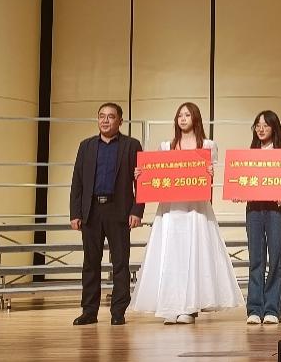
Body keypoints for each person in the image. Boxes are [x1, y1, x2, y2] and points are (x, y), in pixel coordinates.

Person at [130, 102, 244, 323]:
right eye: (180, 115)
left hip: (195, 208)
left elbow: (209, 177)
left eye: (187, 115)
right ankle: (170, 306)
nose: (182, 119)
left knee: (194, 254)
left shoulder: (208, 145)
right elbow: (156, 172)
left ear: (195, 118)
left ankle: (189, 307)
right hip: (171, 209)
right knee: (171, 255)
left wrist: (210, 172)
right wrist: (141, 175)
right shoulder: (166, 146)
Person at [69, 103, 143, 326]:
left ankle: (118, 312)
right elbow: (77, 181)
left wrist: (137, 210)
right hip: (91, 211)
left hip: (119, 210)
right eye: (101, 116)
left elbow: (142, 181)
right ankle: (89, 311)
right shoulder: (86, 146)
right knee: (90, 263)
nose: (105, 120)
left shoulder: (131, 145)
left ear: (120, 121)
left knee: (120, 263)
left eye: (111, 117)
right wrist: (75, 213)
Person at [242, 110, 281, 325]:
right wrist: (238, 191)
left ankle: (272, 309)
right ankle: (254, 308)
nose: (261, 129)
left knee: (276, 258)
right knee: (256, 259)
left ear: (274, 128)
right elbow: (240, 181)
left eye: (265, 125)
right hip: (254, 209)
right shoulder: (248, 156)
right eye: (257, 125)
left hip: (275, 210)